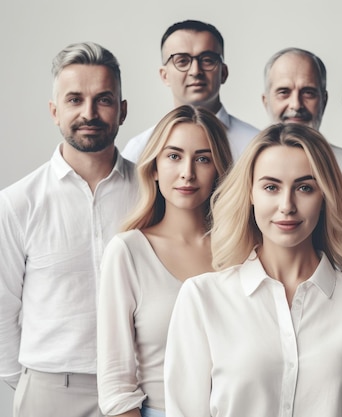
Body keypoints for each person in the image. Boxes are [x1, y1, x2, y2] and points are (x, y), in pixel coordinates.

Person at [164, 123, 342, 417]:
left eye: (305, 188)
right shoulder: (202, 298)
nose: (287, 205)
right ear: (250, 194)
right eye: (271, 187)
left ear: (324, 196)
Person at [0, 42, 137, 417]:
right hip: (50, 391)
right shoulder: (16, 203)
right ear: (54, 110)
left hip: (138, 392)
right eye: (75, 99)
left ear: (122, 111)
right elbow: (2, 306)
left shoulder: (152, 194)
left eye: (104, 100)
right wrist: (29, 383)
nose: (89, 113)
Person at [97, 105, 233, 417]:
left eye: (203, 158)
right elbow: (116, 383)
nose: (188, 172)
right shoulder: (128, 252)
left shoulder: (241, 251)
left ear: (220, 170)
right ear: (154, 167)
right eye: (174, 156)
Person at [123, 19, 258, 162]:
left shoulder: (255, 144)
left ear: (223, 72)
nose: (195, 71)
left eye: (207, 60)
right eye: (182, 61)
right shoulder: (141, 149)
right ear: (165, 75)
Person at [263, 47, 342, 175]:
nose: (296, 105)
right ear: (266, 102)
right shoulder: (244, 165)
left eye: (308, 93)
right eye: (284, 92)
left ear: (324, 101)